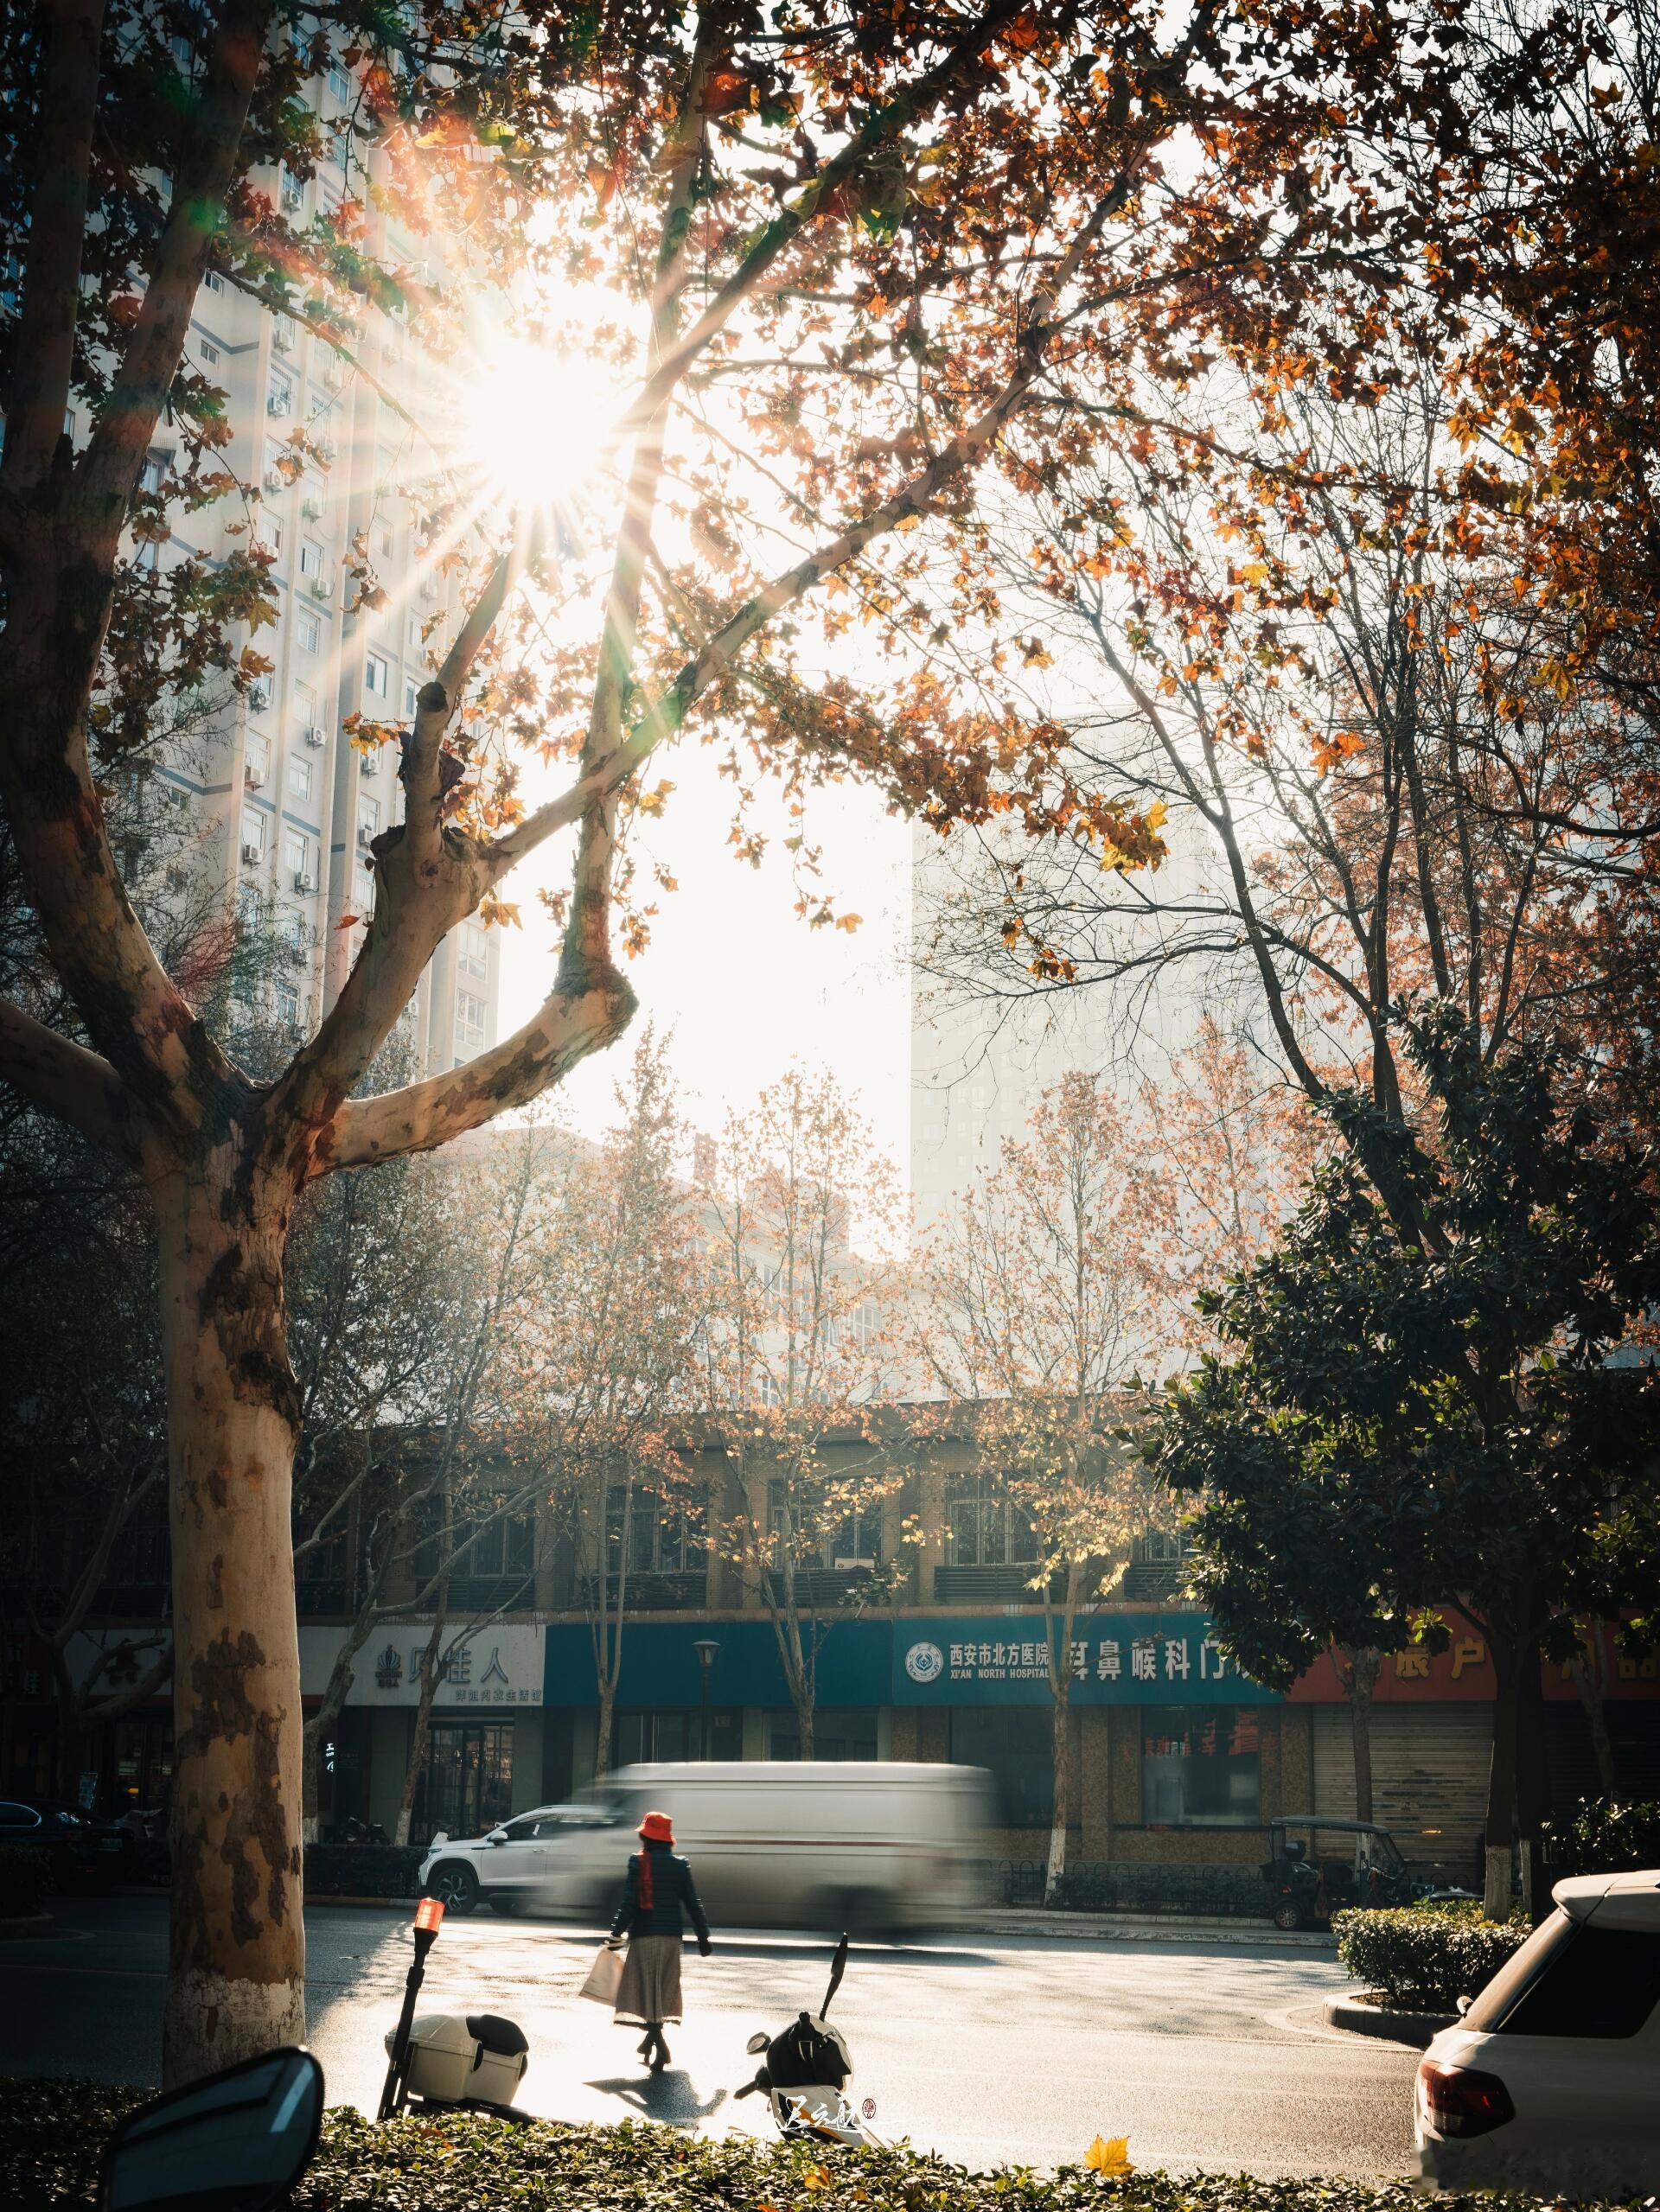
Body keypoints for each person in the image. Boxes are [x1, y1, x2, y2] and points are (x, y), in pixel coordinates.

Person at [608, 1808, 711, 2073]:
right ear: (667, 1839)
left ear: (646, 1837)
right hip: (671, 1940)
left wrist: (616, 1931)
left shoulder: (637, 1863)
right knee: (660, 1993)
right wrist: (703, 1936)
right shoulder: (680, 1866)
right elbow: (693, 1903)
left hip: (644, 1937)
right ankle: (649, 2043)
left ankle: (661, 2047)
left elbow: (629, 1903)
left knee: (646, 1992)